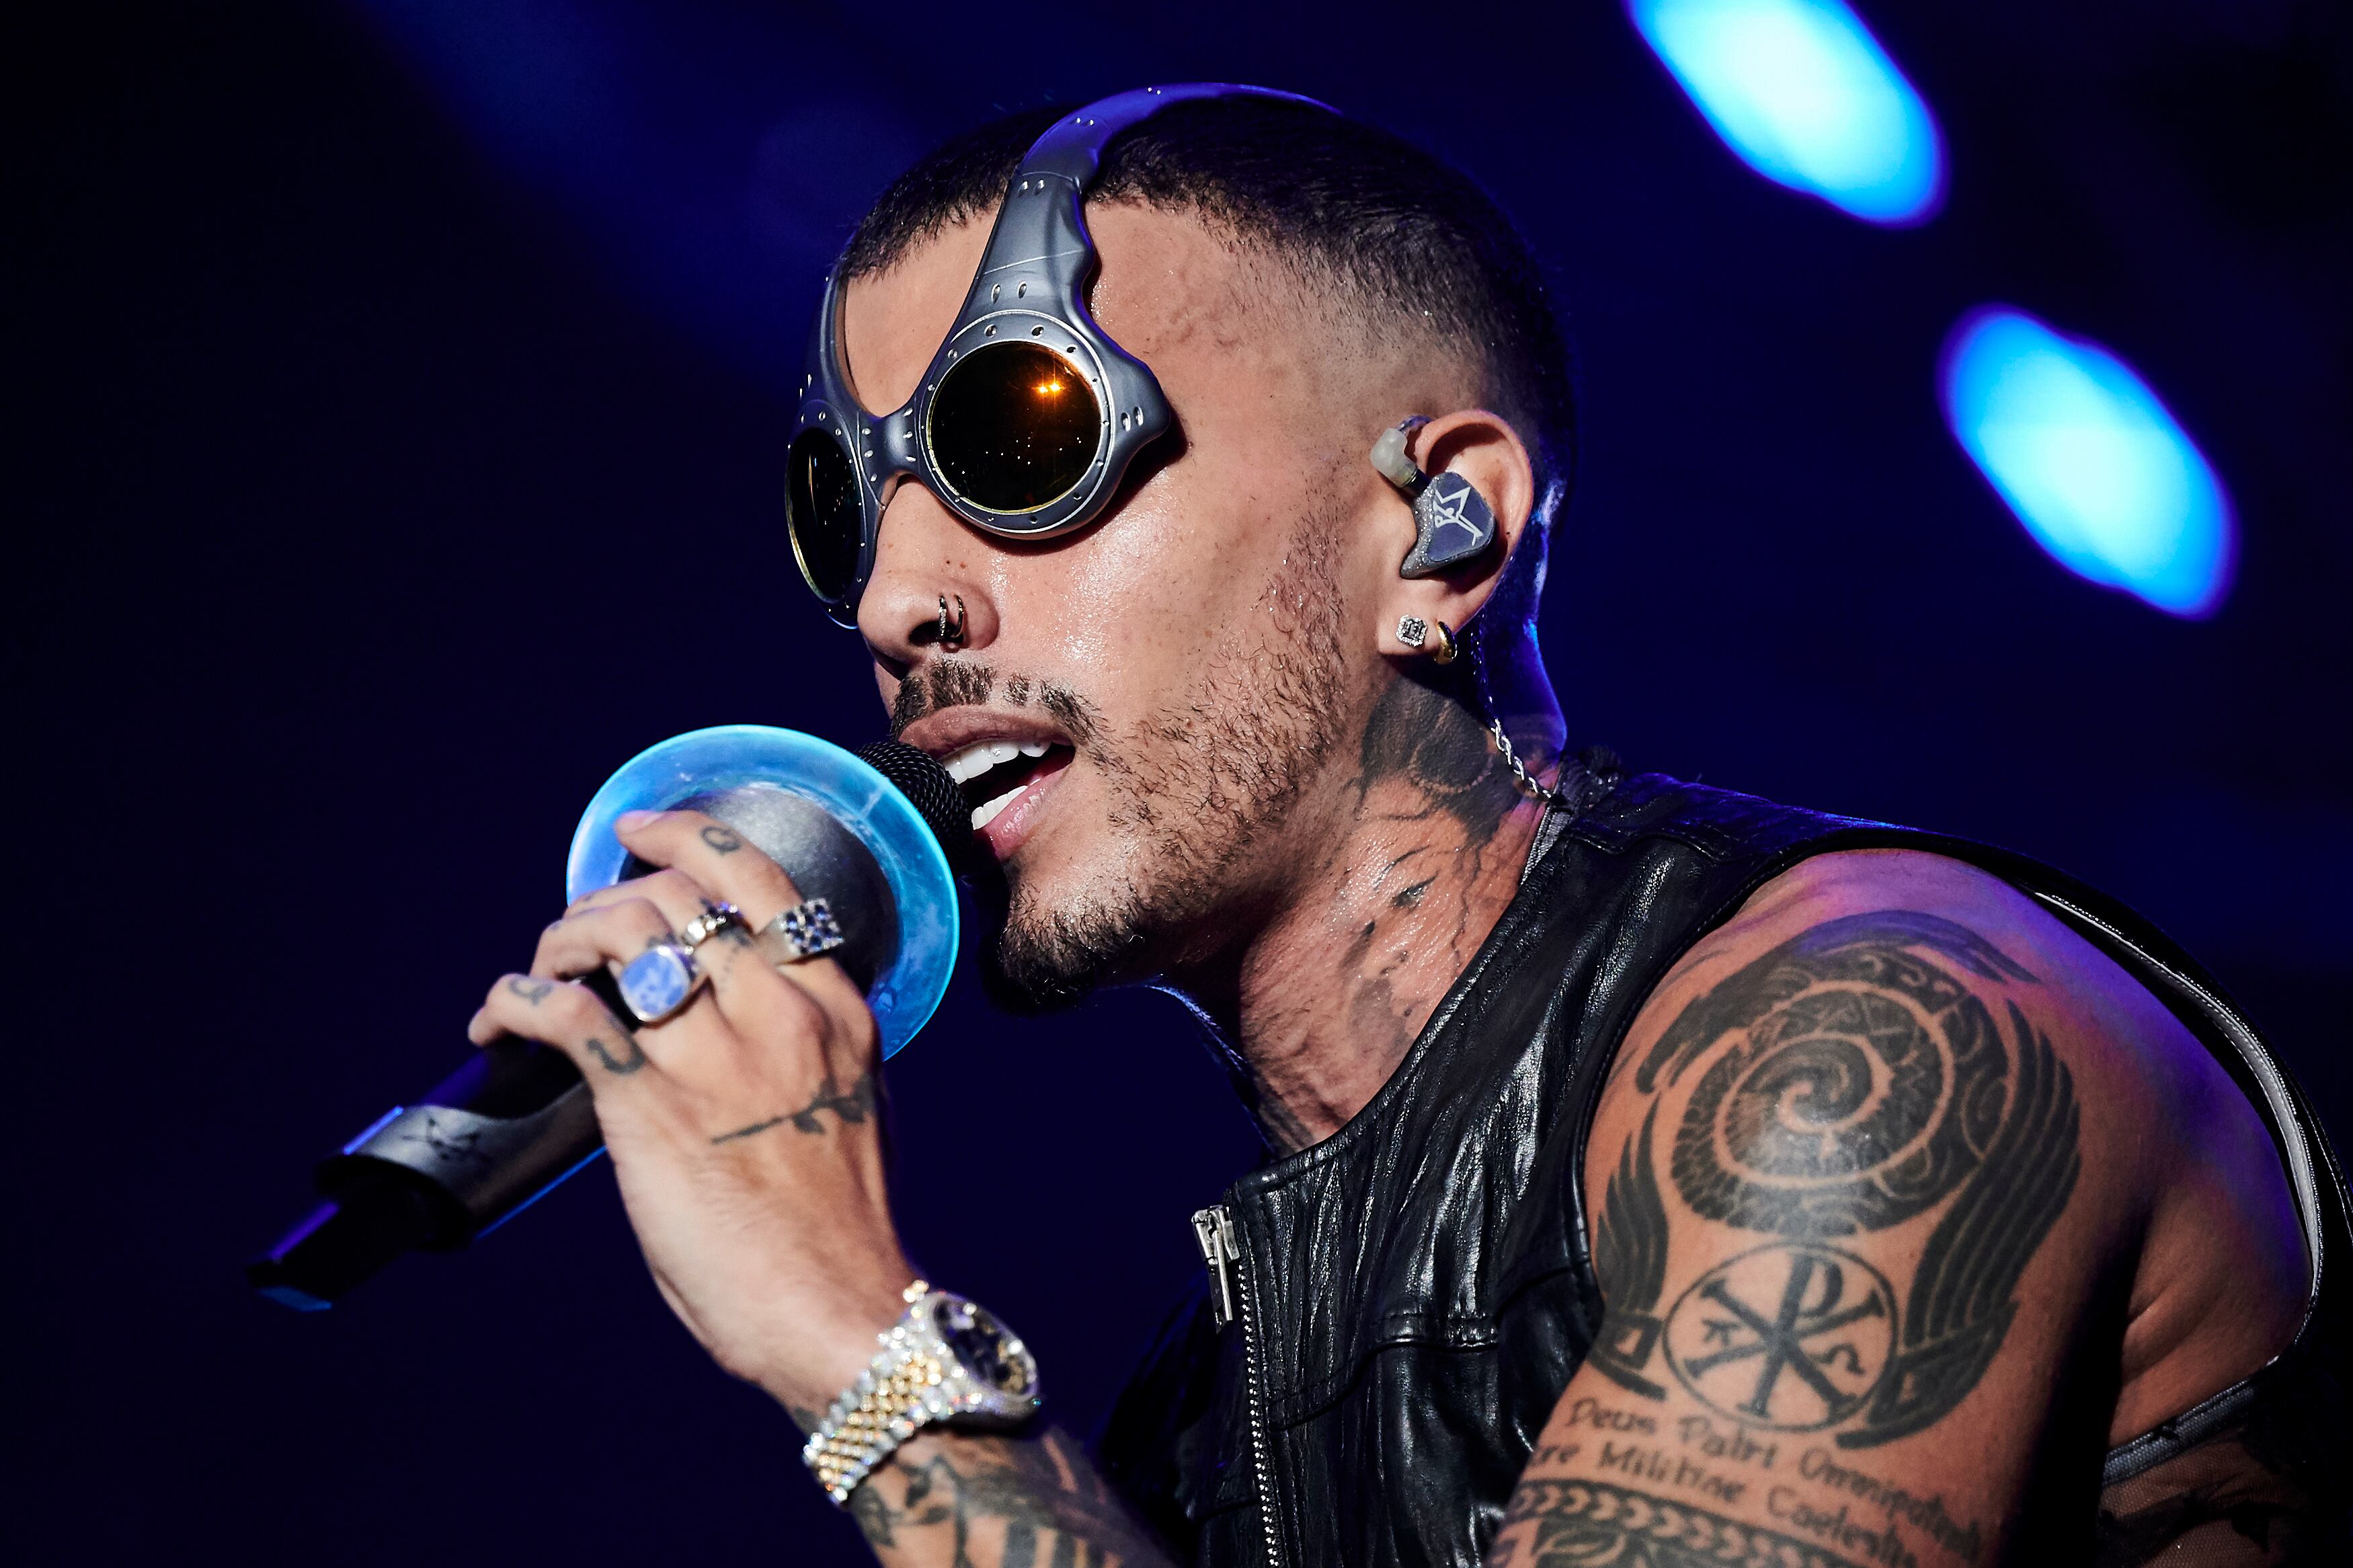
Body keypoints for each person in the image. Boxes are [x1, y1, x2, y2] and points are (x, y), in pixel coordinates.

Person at [463, 88, 2348, 1566]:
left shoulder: (1871, 1039)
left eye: (1026, 445)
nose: (897, 602)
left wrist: (854, 1339)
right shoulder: (1195, 1431)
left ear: (1441, 527)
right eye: (848, 506)